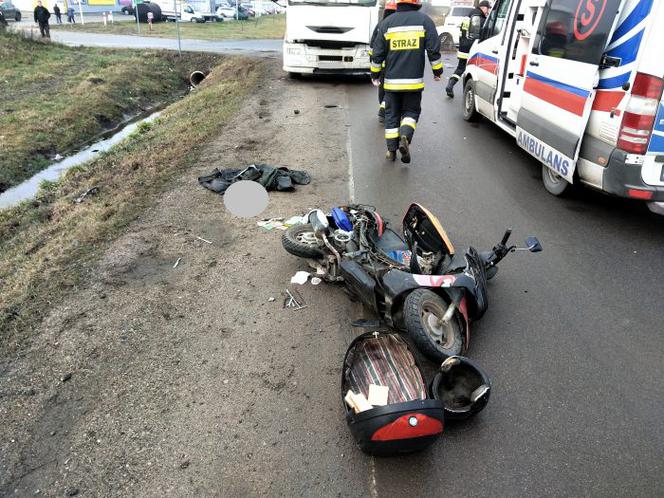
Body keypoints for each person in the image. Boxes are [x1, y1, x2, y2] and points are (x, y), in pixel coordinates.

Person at [370, 0, 443, 163]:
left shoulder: (387, 23)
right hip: (413, 83)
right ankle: (405, 136)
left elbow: (377, 53)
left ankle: (391, 151)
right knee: (411, 113)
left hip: (391, 83)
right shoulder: (425, 21)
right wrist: (437, 71)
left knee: (391, 116)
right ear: (416, 2)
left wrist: (374, 74)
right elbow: (433, 49)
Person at [445, 0, 490, 98]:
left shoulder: (468, 16)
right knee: (473, 72)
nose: (488, 11)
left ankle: (450, 85)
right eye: (487, 8)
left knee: (460, 68)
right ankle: (469, 95)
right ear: (483, 7)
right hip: (473, 48)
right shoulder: (480, 19)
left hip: (463, 48)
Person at [369, 0, 397, 123]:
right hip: (393, 64)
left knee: (382, 88)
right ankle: (383, 109)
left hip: (380, 64)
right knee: (390, 89)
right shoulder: (396, 26)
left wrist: (373, 62)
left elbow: (372, 44)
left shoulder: (380, 25)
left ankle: (382, 107)